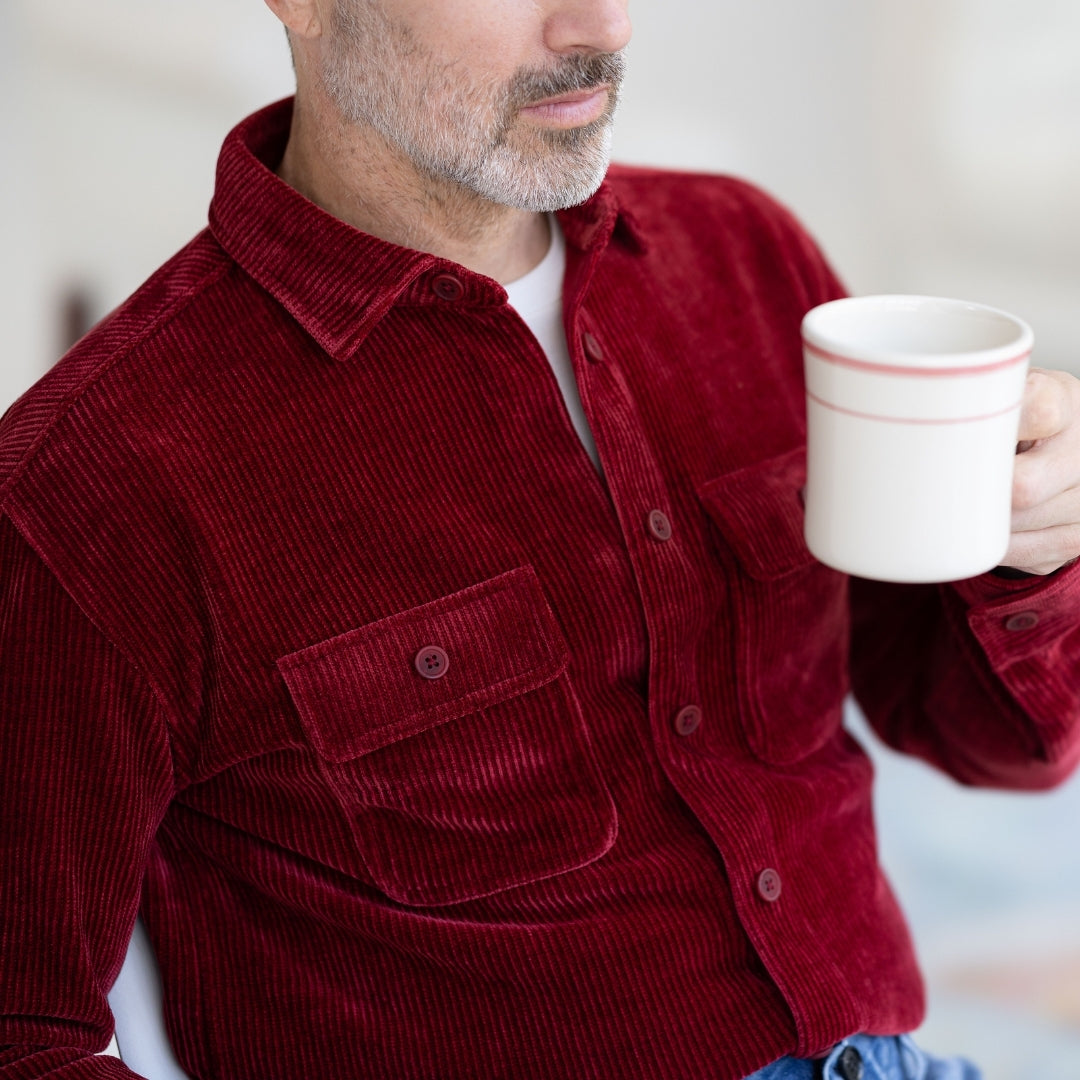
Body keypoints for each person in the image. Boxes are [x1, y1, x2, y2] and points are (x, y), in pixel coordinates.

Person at [2, 1, 1080, 1078]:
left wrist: (1036, 551)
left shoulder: (748, 256)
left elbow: (994, 746)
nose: (602, 24)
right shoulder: (97, 483)